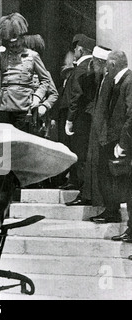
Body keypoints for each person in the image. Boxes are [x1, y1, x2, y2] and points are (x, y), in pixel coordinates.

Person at [0, 12, 51, 133]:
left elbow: (45, 80)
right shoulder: (2, 56)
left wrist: (37, 97)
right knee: (5, 145)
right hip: (5, 107)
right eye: (10, 42)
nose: (14, 45)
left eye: (16, 40)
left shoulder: (33, 56)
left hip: (24, 107)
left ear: (22, 37)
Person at [90, 51, 132, 226]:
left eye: (107, 64)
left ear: (113, 64)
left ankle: (116, 214)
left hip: (120, 140)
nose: (105, 68)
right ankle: (111, 211)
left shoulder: (128, 82)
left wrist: (122, 144)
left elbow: (131, 115)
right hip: (112, 138)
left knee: (119, 179)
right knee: (107, 174)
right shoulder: (119, 81)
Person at [66, 46, 112, 206]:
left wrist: (70, 120)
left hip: (95, 123)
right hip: (94, 122)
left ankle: (89, 195)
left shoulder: (108, 79)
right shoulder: (98, 76)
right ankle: (88, 194)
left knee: (87, 157)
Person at [61, 34, 97, 191]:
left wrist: (70, 119)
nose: (74, 51)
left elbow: (76, 95)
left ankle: (83, 190)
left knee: (79, 152)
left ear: (81, 50)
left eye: (76, 49)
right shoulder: (89, 66)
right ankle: (75, 182)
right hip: (83, 117)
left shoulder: (82, 68)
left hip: (79, 118)